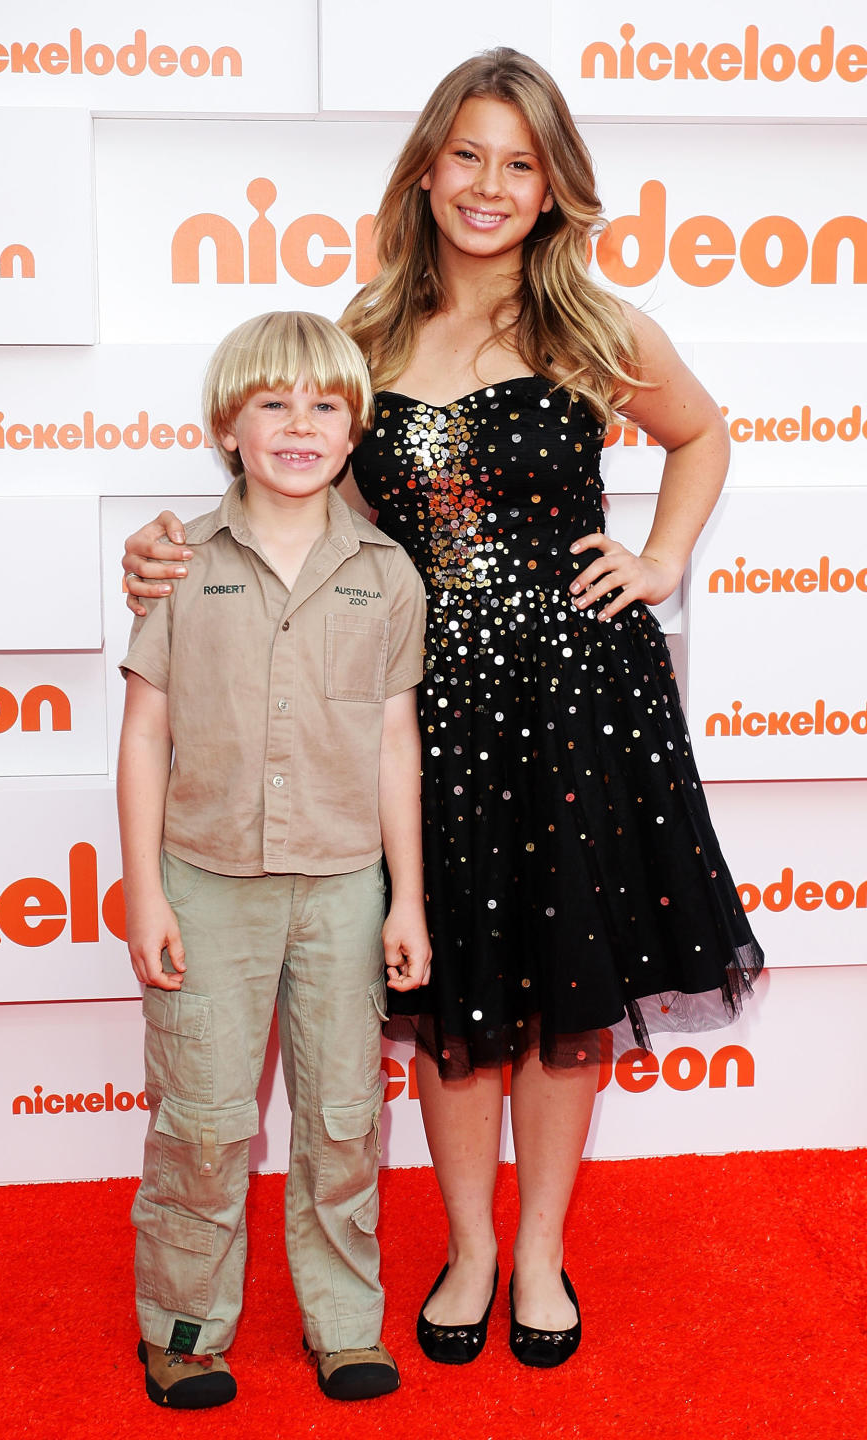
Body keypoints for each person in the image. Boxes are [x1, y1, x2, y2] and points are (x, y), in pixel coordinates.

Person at [120, 50, 763, 1372]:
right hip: (422, 715)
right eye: (469, 153)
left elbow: (702, 435)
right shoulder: (361, 335)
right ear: (428, 165)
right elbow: (288, 493)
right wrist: (166, 552)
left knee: (564, 992)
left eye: (520, 163)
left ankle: (539, 1253)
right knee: (459, 996)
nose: (490, 183)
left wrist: (659, 558)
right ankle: (470, 1245)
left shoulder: (597, 326)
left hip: (582, 701)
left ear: (552, 188)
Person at [117, 310, 430, 1408]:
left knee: (346, 1117)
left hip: (348, 886)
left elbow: (397, 743)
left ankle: (344, 1324)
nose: (301, 424)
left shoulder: (389, 573)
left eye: (326, 405)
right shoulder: (179, 566)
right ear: (227, 427)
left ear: (356, 432)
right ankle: (185, 1329)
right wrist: (146, 888)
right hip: (203, 884)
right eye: (273, 403)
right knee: (203, 1123)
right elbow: (145, 731)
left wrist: (409, 905)